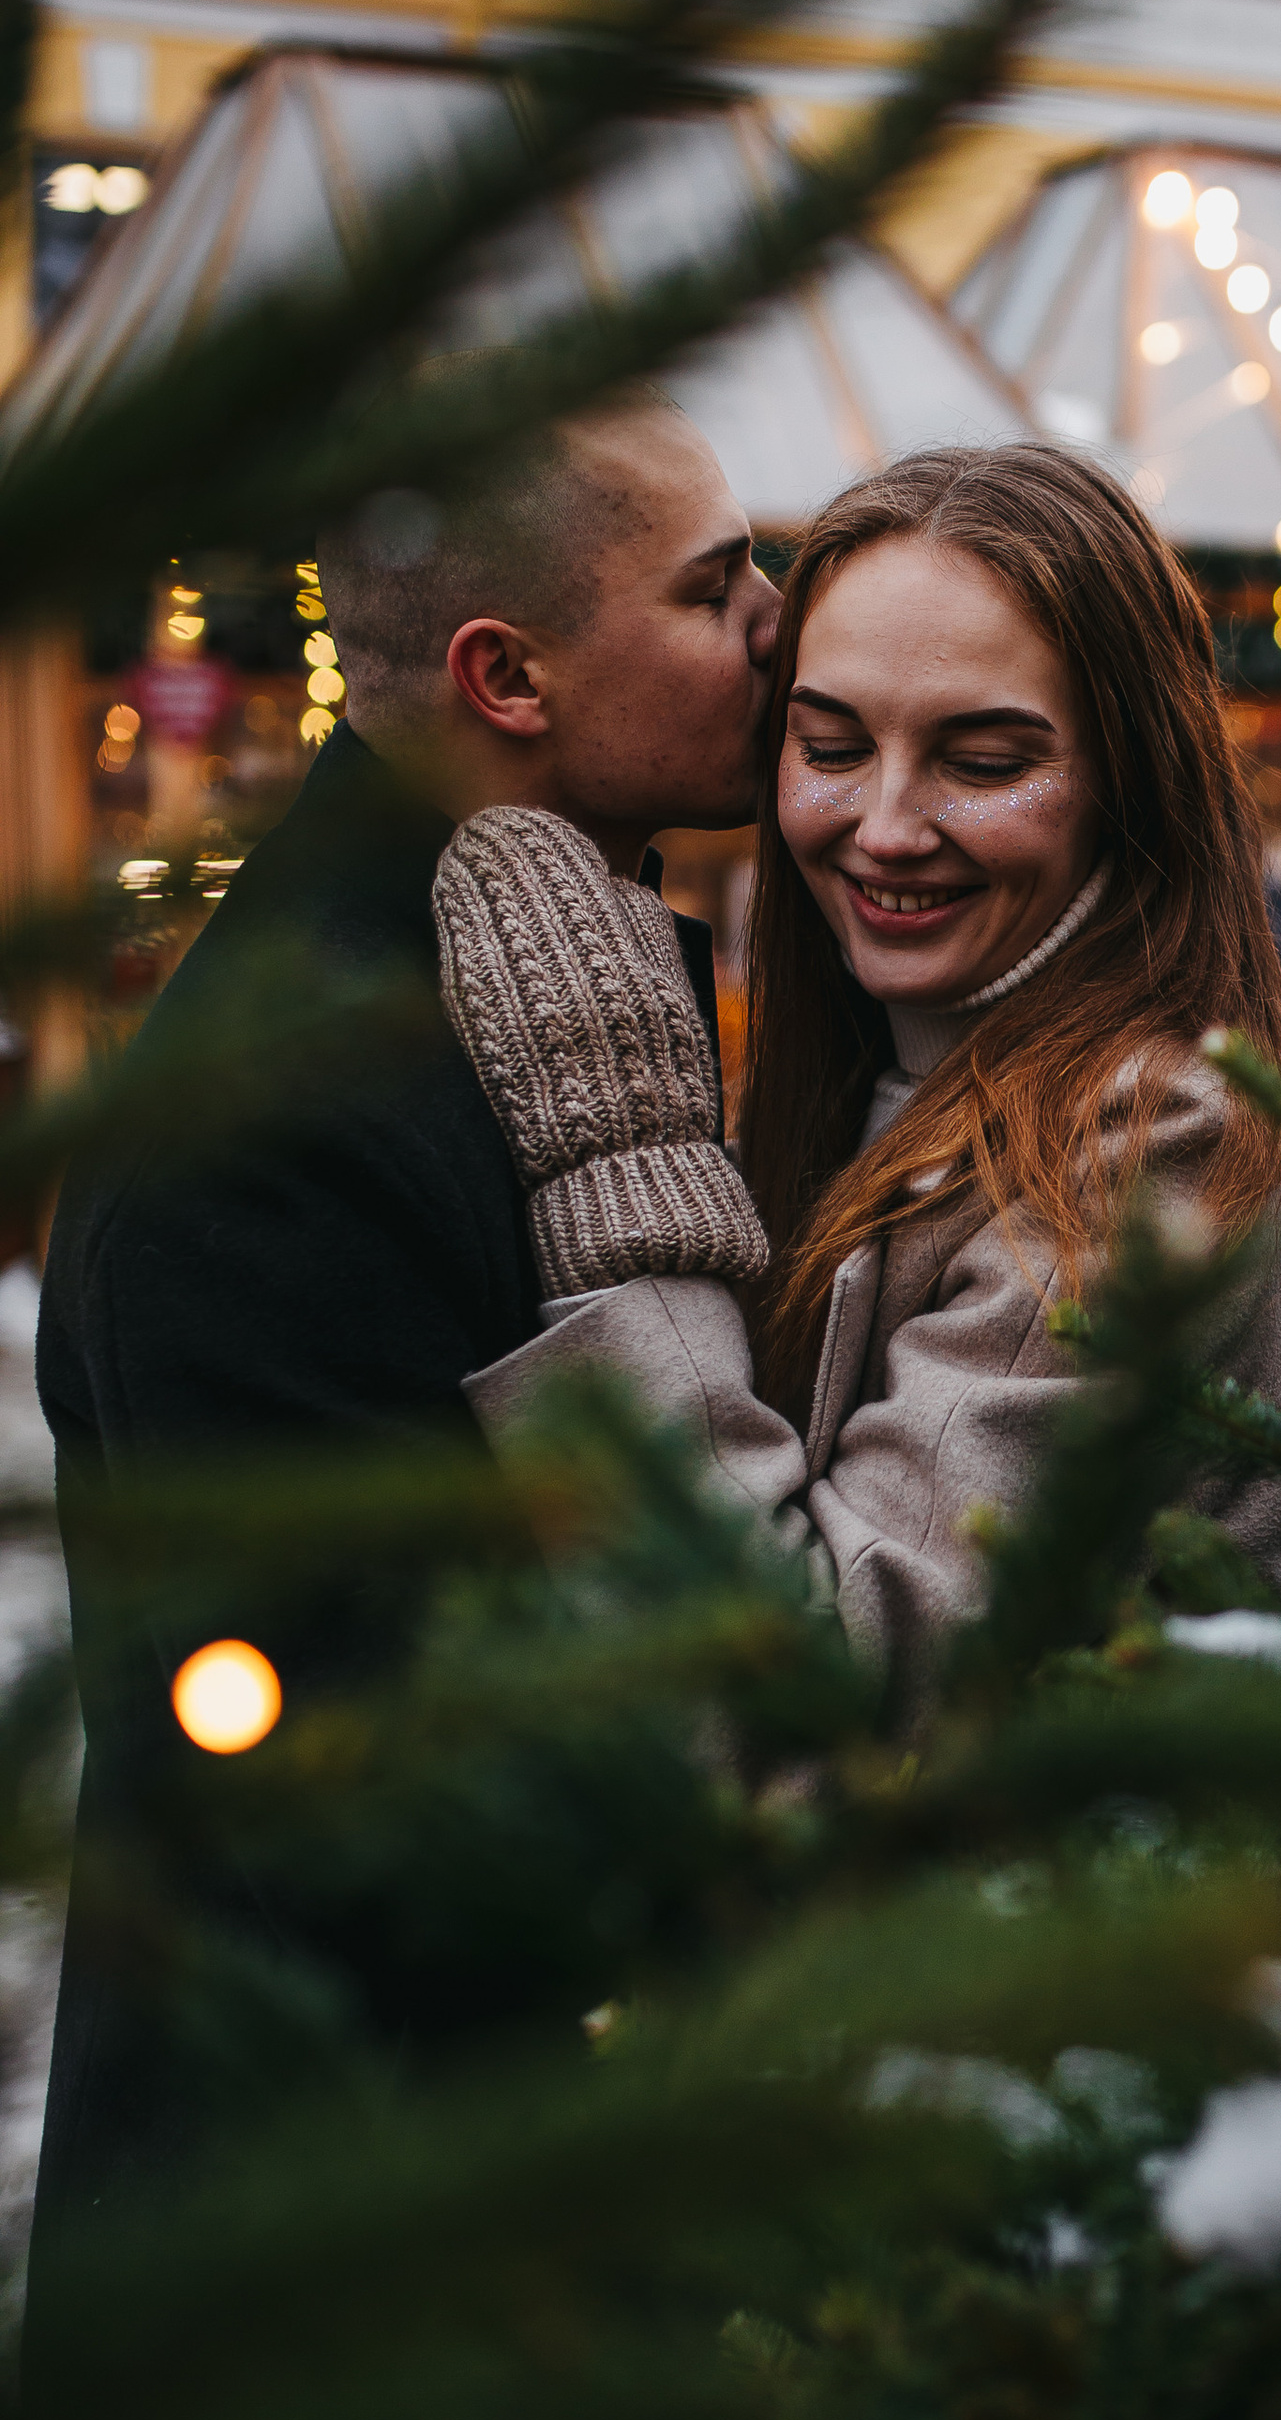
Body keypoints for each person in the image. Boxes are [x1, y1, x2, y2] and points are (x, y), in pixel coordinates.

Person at [30, 389, 780, 2294]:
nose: (780, 623)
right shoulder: (281, 1119)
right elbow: (366, 1808)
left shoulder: (519, 981)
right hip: (338, 2293)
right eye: (715, 590)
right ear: (507, 676)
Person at [433, 444, 1281, 1721]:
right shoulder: (859, 1069)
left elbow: (814, 1708)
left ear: (1132, 782)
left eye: (985, 761)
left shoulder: (1148, 1134)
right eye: (832, 747)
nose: (886, 829)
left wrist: (621, 1168)